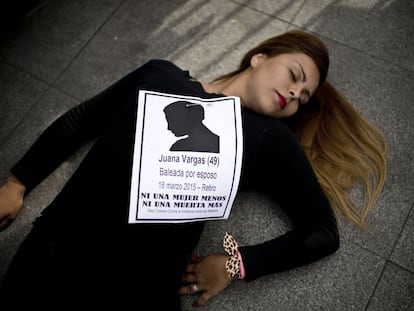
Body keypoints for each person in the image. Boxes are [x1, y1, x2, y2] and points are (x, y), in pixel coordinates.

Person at [0, 30, 386, 309]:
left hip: (138, 293)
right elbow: (83, 119)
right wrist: (18, 182)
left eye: (302, 99)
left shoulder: (269, 138)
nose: (294, 95)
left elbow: (321, 233)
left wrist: (238, 264)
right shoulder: (159, 75)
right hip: (51, 257)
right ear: (260, 57)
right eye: (295, 75)